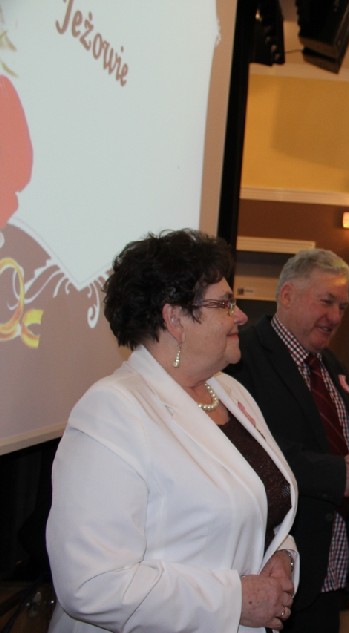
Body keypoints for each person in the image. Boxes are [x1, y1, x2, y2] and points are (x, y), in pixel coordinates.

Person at [46, 229, 299, 633]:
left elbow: (260, 507)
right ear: (175, 319)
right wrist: (234, 600)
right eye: (225, 303)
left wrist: (282, 556)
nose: (240, 315)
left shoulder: (230, 392)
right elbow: (91, 583)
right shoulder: (113, 410)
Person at [226, 248, 349, 633]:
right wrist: (340, 476)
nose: (335, 317)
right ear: (287, 295)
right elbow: (252, 451)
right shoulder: (243, 358)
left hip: (329, 564)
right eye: (326, 301)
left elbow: (342, 449)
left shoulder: (332, 366)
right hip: (271, 568)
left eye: (342, 307)